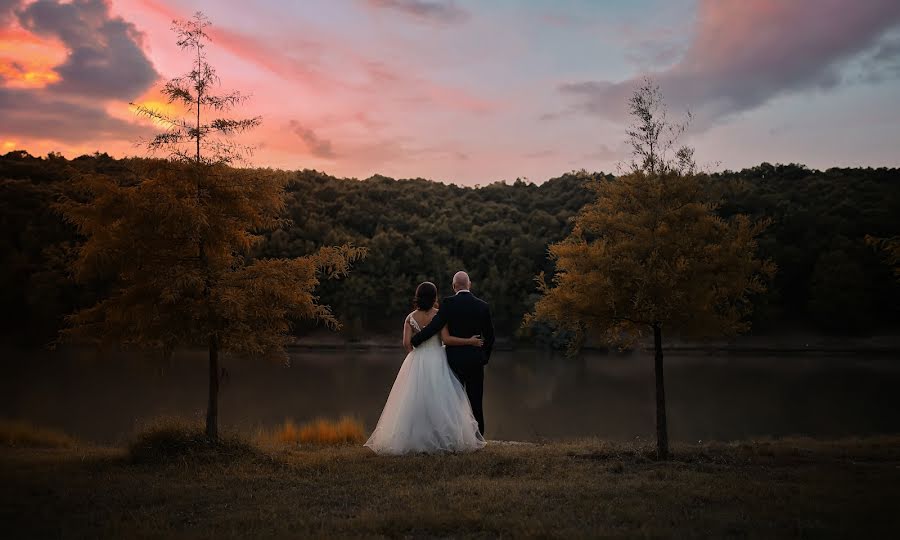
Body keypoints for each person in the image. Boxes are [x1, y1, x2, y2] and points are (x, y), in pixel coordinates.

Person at [364, 281, 487, 455]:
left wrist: (415, 355)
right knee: (442, 402)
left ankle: (414, 439)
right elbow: (447, 339)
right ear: (434, 297)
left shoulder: (410, 318)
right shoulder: (439, 314)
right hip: (438, 359)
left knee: (414, 401)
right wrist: (470, 341)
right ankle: (443, 439)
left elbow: (407, 344)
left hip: (417, 359)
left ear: (418, 296)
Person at [410, 271, 494, 436]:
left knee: (454, 402)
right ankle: (479, 438)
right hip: (475, 361)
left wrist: (416, 341)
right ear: (469, 284)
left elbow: (435, 326)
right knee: (476, 401)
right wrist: (484, 358)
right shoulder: (483, 306)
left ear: (454, 286)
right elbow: (490, 337)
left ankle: (457, 436)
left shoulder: (448, 303)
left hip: (454, 361)